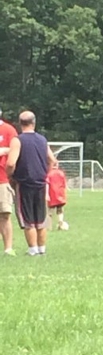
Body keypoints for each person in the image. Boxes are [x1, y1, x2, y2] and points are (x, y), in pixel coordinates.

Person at [6, 111, 56, 256]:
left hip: (24, 183)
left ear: (20, 123)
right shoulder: (42, 140)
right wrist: (45, 174)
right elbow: (52, 160)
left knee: (28, 219)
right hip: (40, 183)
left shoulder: (18, 140)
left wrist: (11, 176)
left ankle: (32, 250)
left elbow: (10, 163)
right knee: (40, 218)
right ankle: (42, 249)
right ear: (34, 122)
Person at [0, 107, 18, 256]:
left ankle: (8, 248)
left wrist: (5, 150)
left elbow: (15, 150)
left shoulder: (8, 130)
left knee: (4, 214)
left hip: (2, 180)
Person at [46, 161, 68, 230]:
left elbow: (47, 184)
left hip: (52, 195)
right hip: (60, 195)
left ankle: (49, 227)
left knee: (50, 212)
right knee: (60, 210)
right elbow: (64, 184)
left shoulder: (49, 174)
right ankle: (61, 224)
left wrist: (46, 194)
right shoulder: (61, 173)